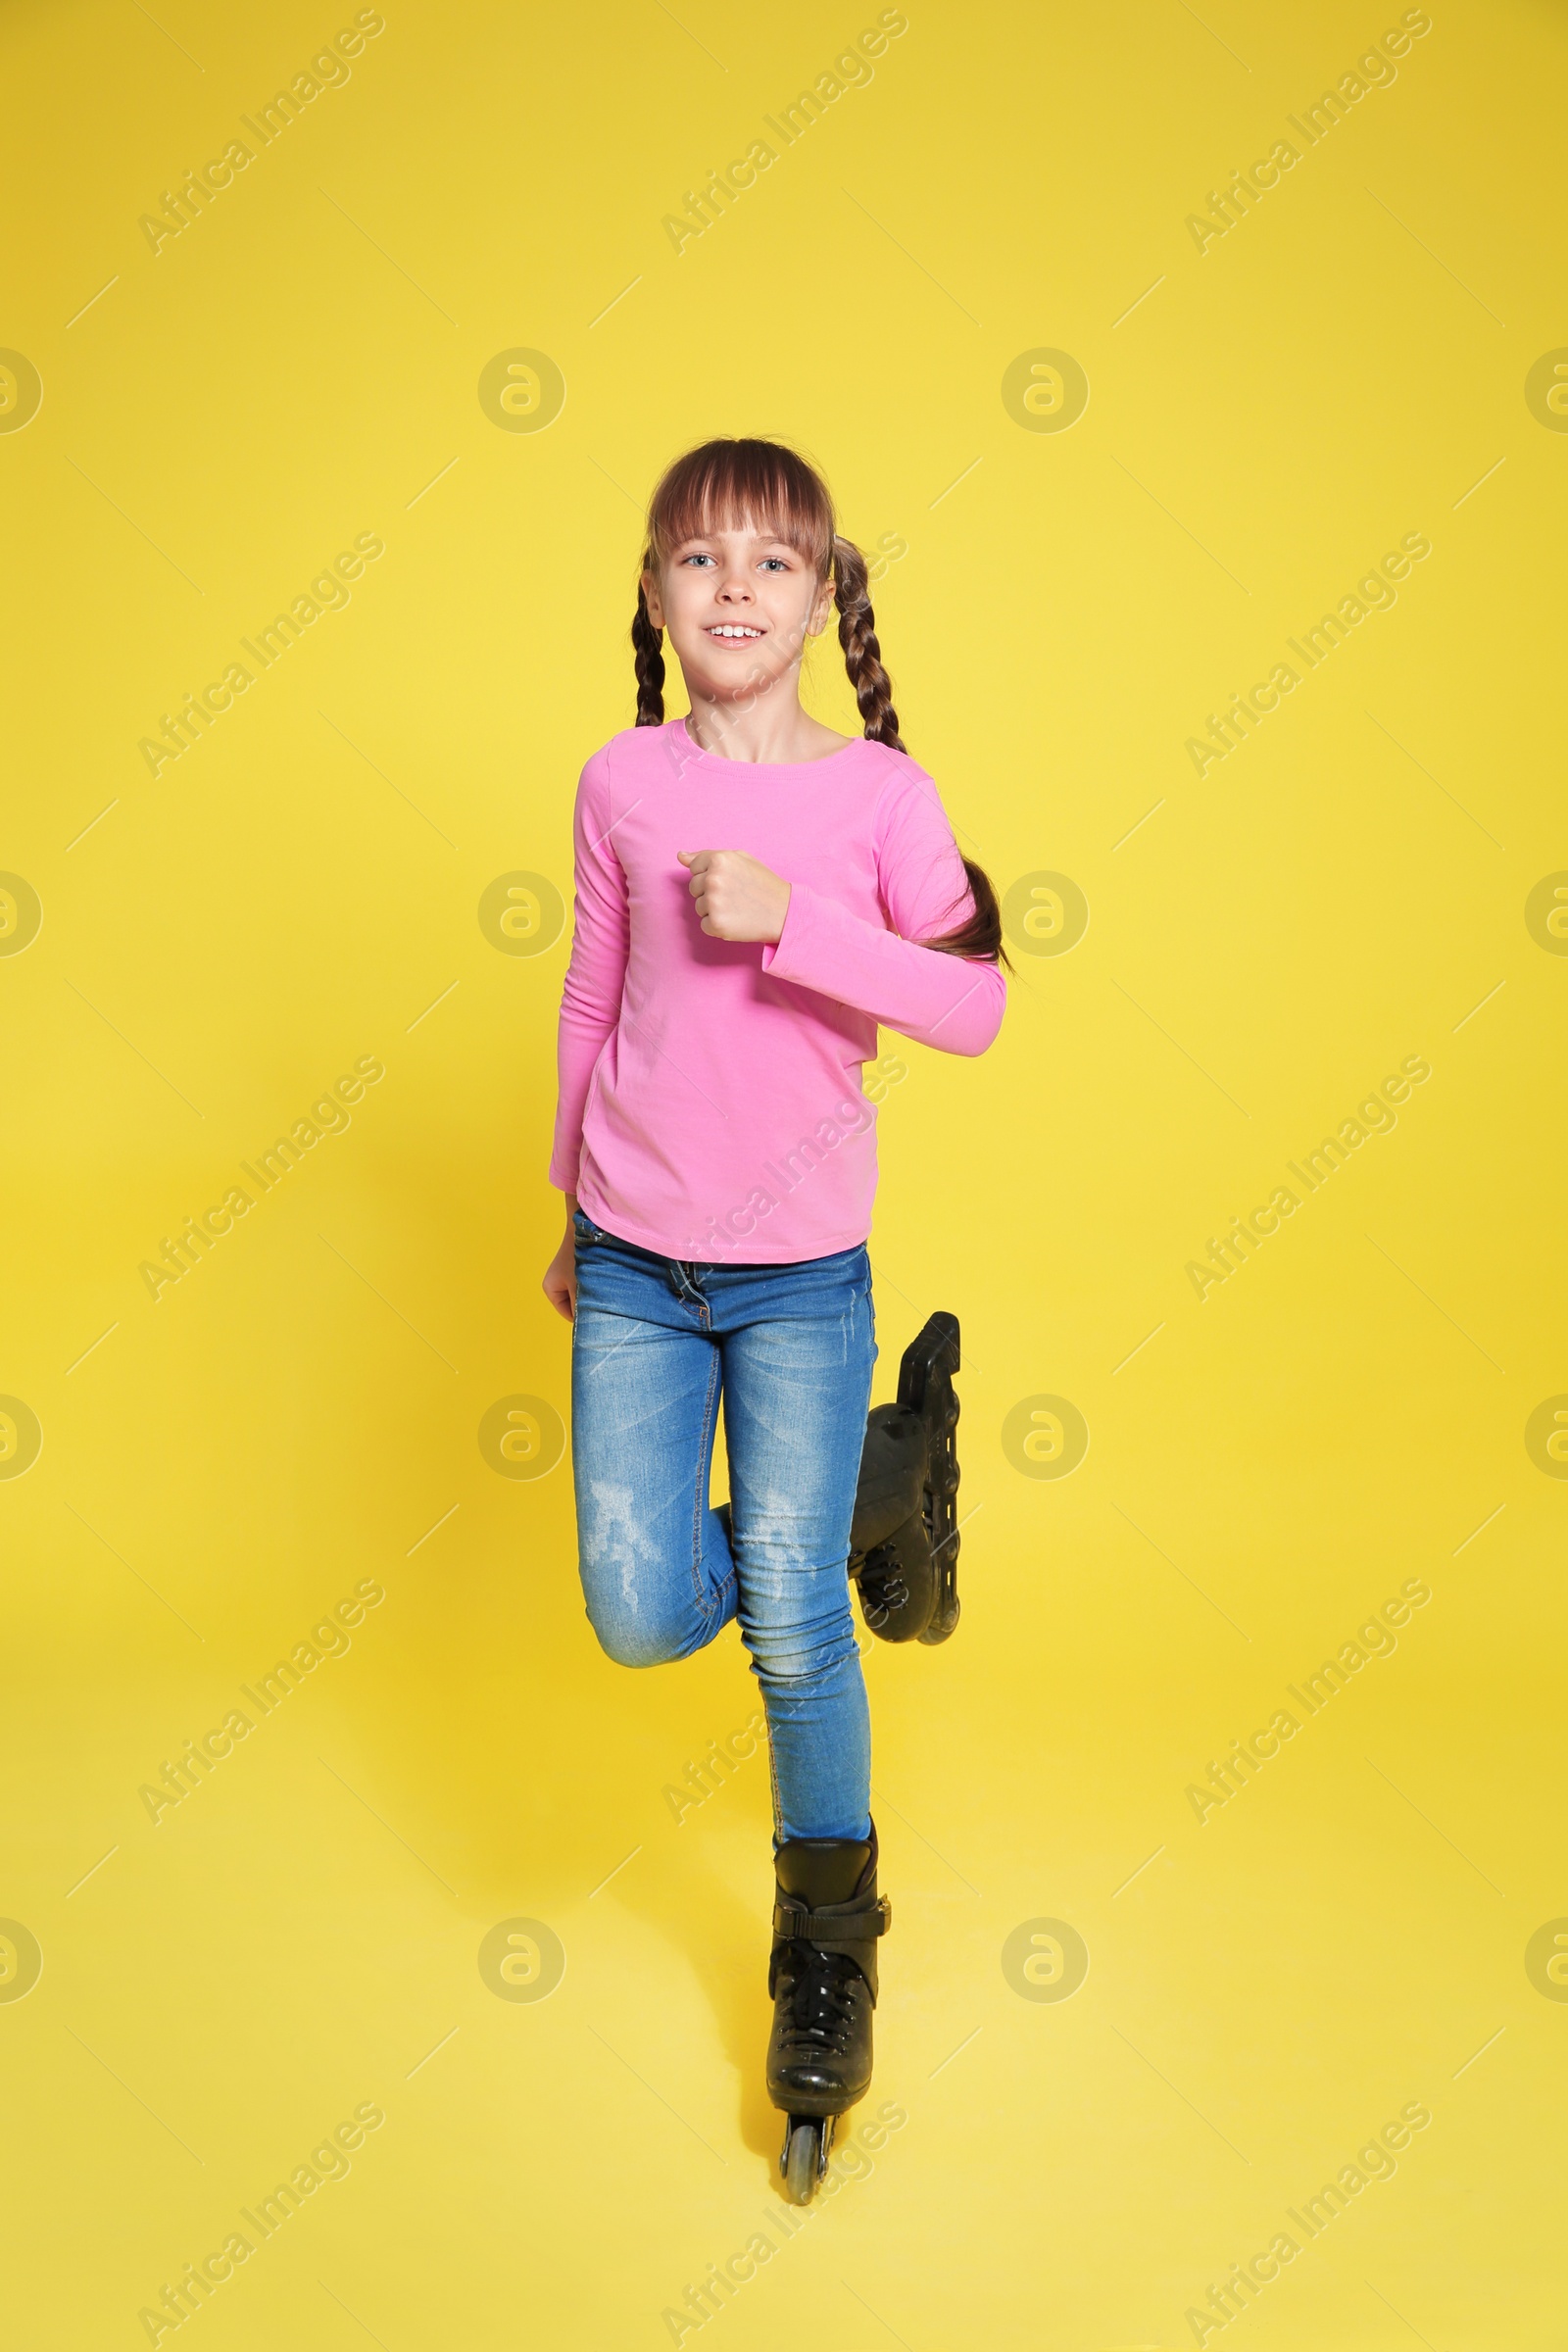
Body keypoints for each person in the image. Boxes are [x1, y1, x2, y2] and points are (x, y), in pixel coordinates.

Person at [541, 434, 1006, 2198]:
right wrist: (570, 1210)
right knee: (639, 1607)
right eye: (697, 562)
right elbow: (592, 997)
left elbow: (972, 1012)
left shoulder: (881, 799)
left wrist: (800, 922)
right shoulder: (619, 780)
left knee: (797, 1629)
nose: (734, 589)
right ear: (656, 597)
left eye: (774, 562)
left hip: (804, 1270)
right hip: (639, 1266)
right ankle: (888, 1488)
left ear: (827, 597)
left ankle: (829, 1937)